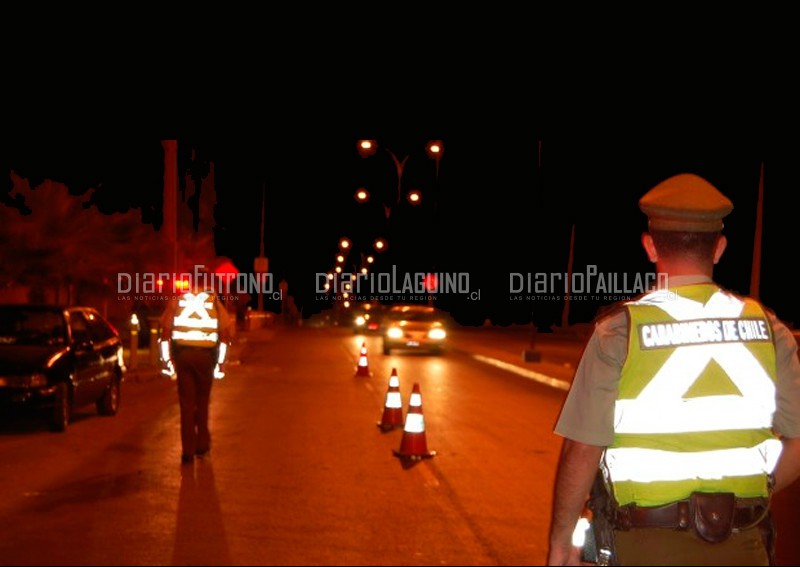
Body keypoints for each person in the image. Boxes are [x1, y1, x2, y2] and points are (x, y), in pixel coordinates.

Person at [546, 173, 800, 566]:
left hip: (644, 546)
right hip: (743, 547)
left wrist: (562, 542)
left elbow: (582, 448)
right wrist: (753, 495)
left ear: (650, 246)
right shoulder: (770, 330)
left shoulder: (619, 331)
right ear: (719, 248)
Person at [160, 268, 234, 465]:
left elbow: (165, 332)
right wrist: (220, 363)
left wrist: (167, 361)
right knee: (202, 402)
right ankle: (202, 446)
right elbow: (225, 335)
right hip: (205, 358)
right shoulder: (213, 301)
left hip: (183, 357)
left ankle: (187, 452)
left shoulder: (178, 300)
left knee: (186, 404)